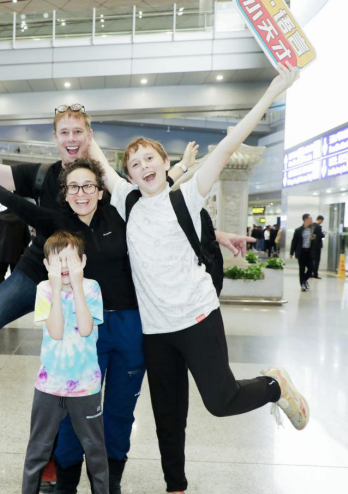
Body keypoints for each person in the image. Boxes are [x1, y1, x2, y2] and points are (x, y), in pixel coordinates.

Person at [0, 110, 254, 487]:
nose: (71, 138)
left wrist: (216, 235)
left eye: (78, 131)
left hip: (82, 285)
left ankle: (56, 458)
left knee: (68, 372)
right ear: (55, 138)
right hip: (38, 270)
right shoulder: (40, 174)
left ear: (89, 137)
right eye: (64, 132)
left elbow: (156, 213)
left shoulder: (109, 183)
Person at [92, 63, 309, 494]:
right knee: (168, 418)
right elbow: (97, 157)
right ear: (129, 175)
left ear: (166, 163)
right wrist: (81, 124)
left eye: (149, 158)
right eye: (134, 163)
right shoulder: (126, 201)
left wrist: (273, 90)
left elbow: (229, 145)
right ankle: (176, 486)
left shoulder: (187, 195)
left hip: (197, 317)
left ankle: (274, 385)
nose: (142, 166)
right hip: (155, 332)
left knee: (221, 400)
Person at [23, 231, 107, 494]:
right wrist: (57, 290)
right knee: (37, 449)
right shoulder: (44, 289)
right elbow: (57, 332)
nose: (63, 267)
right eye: (57, 261)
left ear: (82, 261)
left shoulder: (91, 287)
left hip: (86, 386)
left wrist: (78, 287)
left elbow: (85, 328)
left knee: (95, 450)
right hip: (49, 385)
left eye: (70, 260)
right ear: (46, 264)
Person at [0, 207, 31, 285]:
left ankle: (0, 289)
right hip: (17, 252)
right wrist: (24, 249)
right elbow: (27, 237)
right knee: (15, 275)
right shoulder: (22, 217)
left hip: (1, 251)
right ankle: (13, 291)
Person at [290, 213, 315, 292]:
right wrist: (291, 252)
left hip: (310, 252)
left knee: (311, 268)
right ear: (305, 220)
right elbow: (294, 242)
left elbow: (318, 239)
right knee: (302, 269)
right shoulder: (298, 230)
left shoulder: (313, 229)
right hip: (301, 252)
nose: (311, 219)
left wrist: (314, 239)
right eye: (310, 218)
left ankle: (304, 280)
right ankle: (302, 285)